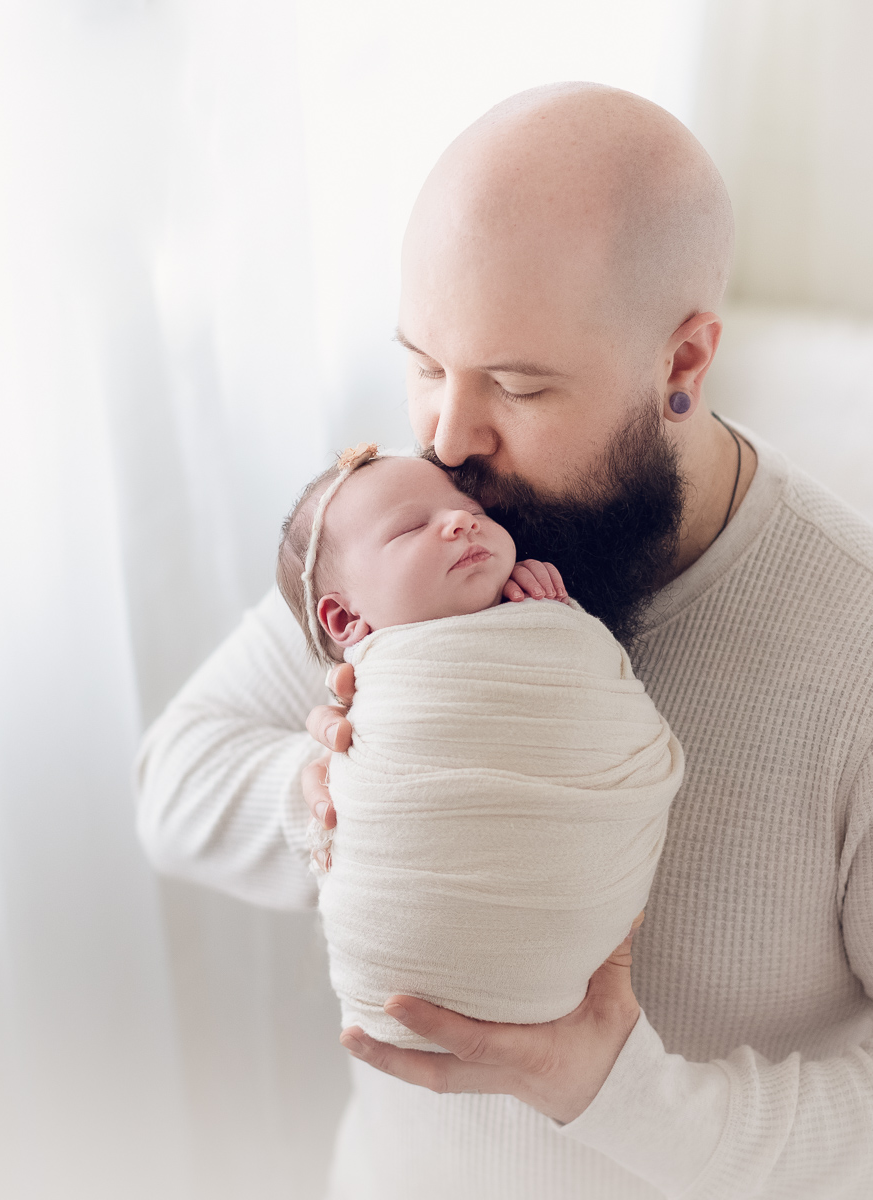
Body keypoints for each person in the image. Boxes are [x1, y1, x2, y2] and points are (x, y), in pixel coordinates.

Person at [136, 83, 873, 1199]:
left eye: (516, 382)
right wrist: (345, 799)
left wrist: (624, 1094)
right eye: (423, 363)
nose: (449, 435)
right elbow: (176, 779)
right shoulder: (430, 546)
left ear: (684, 365)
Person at [277, 444, 682, 1053]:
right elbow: (178, 774)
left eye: (470, 508)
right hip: (398, 980)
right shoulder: (377, 672)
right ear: (344, 622)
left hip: (570, 969)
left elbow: (588, 702)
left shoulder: (534, 608)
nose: (463, 520)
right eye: (414, 527)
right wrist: (319, 790)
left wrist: (554, 615)